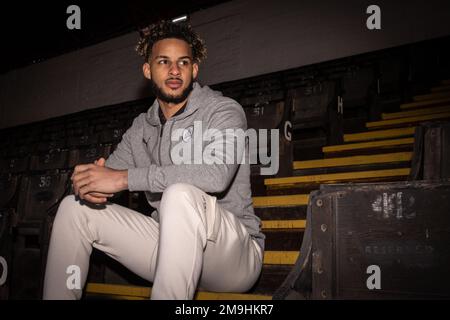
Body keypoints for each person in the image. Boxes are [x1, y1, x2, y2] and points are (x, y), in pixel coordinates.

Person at [43, 20, 265, 300]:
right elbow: (108, 175)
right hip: (169, 252)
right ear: (148, 70)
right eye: (163, 62)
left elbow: (216, 175)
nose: (174, 70)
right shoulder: (141, 127)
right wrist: (89, 181)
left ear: (194, 70)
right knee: (75, 209)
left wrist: (123, 178)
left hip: (231, 259)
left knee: (180, 194)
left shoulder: (223, 111)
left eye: (183, 63)